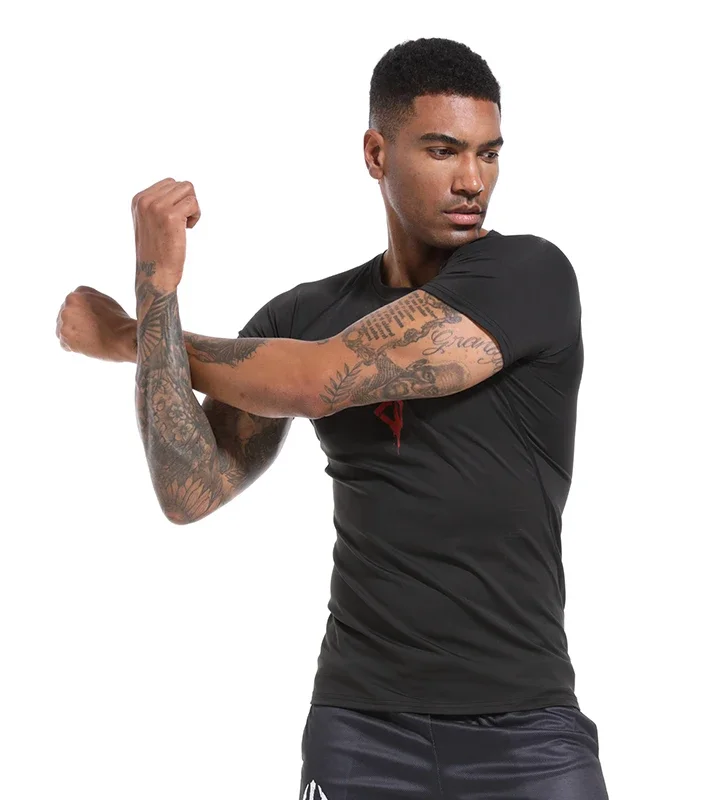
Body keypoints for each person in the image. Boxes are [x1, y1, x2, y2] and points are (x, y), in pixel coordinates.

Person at [56, 36, 608, 800]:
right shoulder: (305, 315)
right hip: (359, 728)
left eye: (488, 154)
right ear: (377, 153)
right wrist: (157, 293)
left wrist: (129, 337)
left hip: (525, 730)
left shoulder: (529, 276)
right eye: (443, 150)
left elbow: (322, 380)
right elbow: (190, 491)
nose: (472, 180)